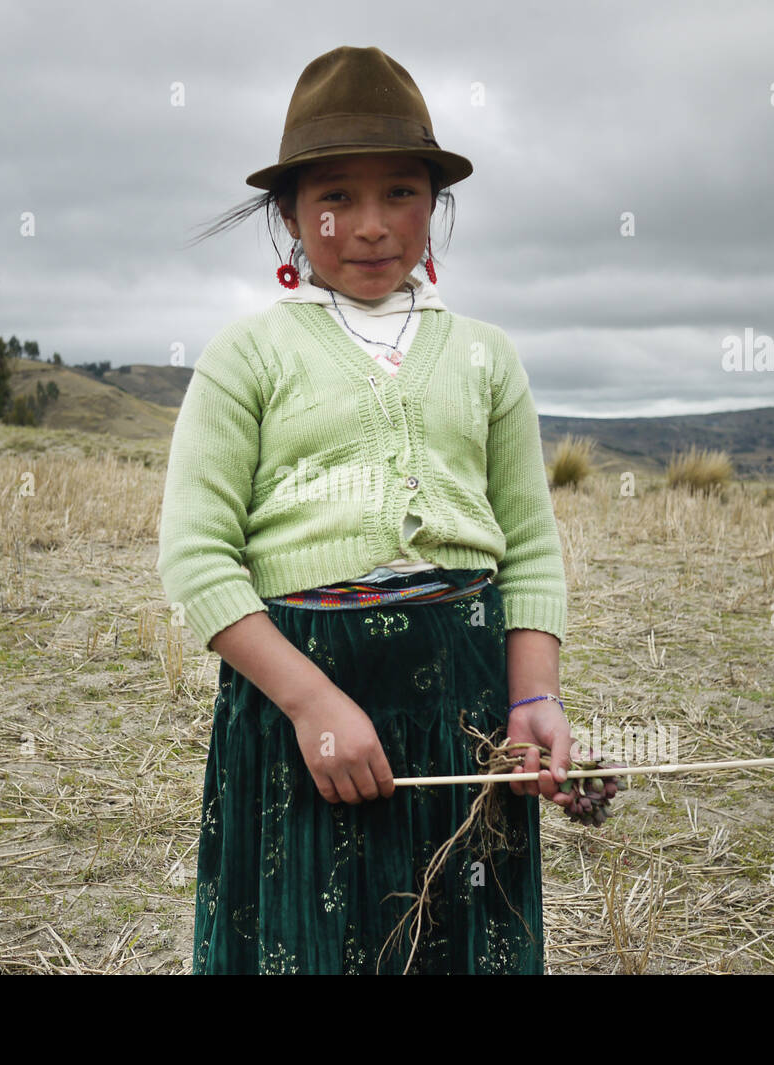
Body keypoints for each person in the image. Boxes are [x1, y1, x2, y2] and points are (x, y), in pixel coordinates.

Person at [158, 45, 573, 974]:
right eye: (337, 198)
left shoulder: (488, 357)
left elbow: (533, 551)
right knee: (310, 942)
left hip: (462, 699)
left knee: (462, 942)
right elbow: (195, 554)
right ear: (291, 215)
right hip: (302, 703)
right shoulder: (247, 357)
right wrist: (311, 702)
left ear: (437, 205)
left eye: (404, 194)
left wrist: (533, 699)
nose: (373, 226)